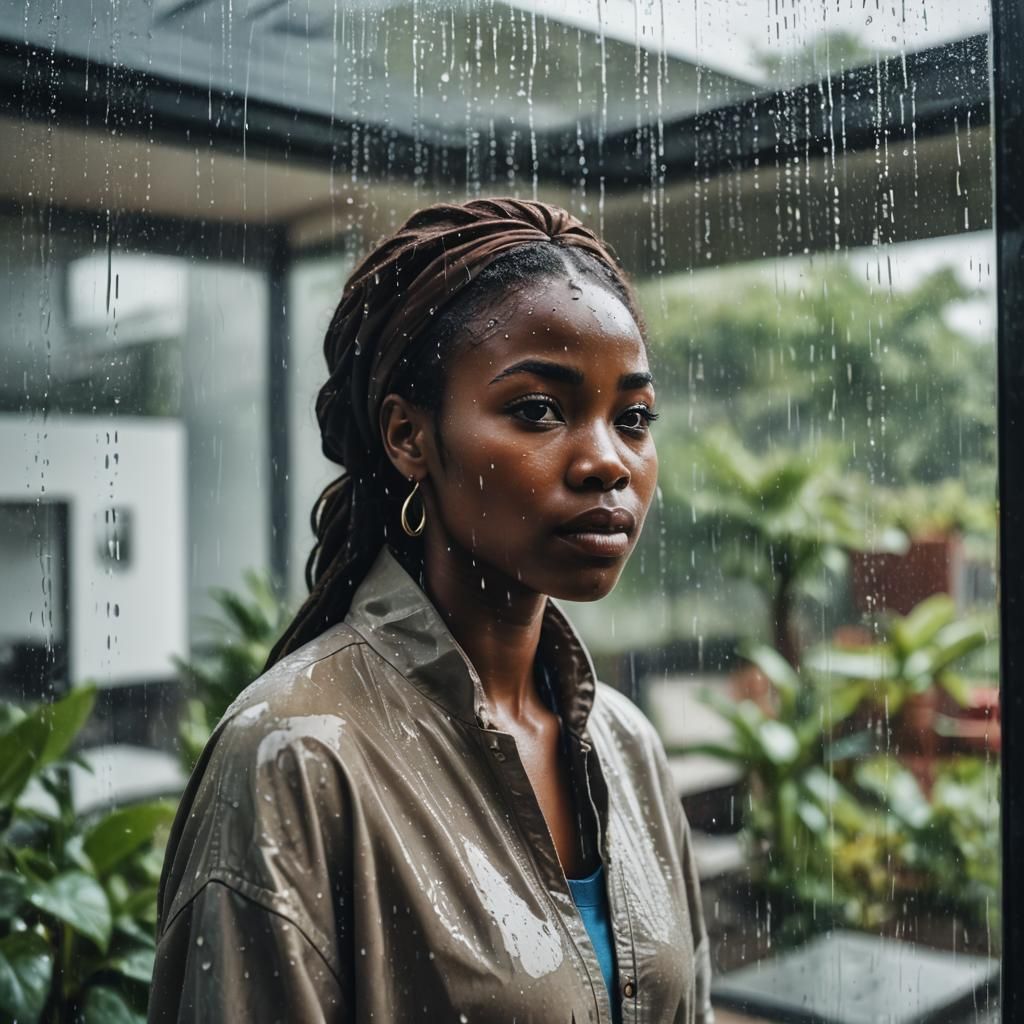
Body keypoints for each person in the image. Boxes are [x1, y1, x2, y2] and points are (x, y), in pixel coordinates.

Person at [149, 198, 714, 1023]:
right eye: (537, 410)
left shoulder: (626, 748)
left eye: (633, 419)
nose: (606, 461)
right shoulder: (294, 761)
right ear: (409, 436)